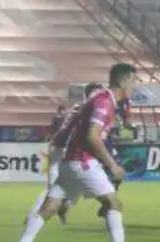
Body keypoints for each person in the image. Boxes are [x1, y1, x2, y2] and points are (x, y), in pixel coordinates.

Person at [9, 63, 148, 242]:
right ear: (124, 81)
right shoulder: (104, 101)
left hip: (70, 162)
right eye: (133, 81)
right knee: (114, 204)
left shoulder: (102, 99)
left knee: (49, 208)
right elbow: (92, 136)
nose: (134, 87)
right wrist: (112, 165)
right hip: (83, 162)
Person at [24, 83, 103, 225]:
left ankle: (60, 208)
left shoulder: (79, 107)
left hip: (58, 146)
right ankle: (36, 215)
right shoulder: (89, 108)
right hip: (63, 149)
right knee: (57, 187)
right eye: (99, 93)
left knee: (65, 185)